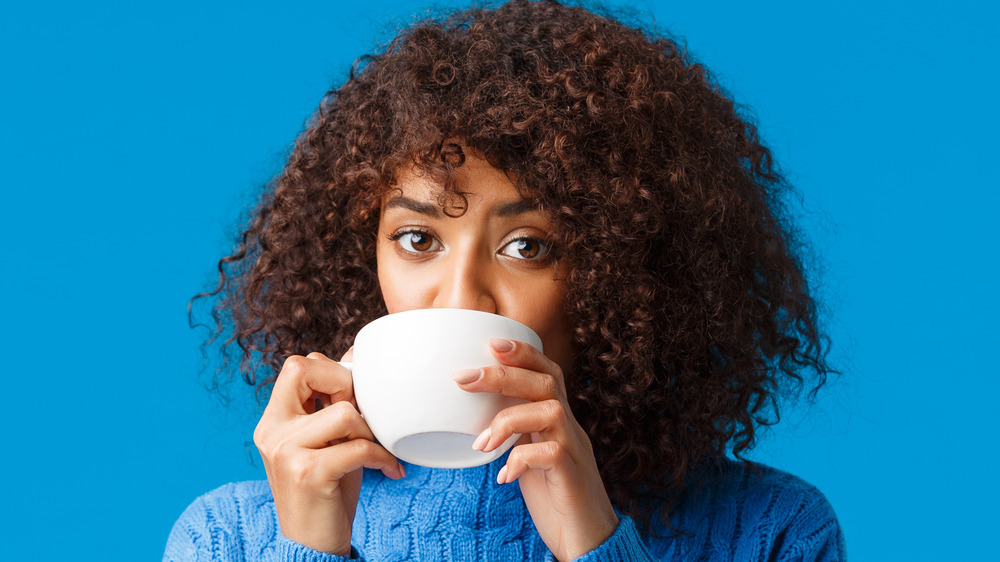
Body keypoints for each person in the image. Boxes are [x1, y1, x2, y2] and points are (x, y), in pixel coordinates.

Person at [164, 0, 846, 560]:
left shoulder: (770, 532)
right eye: (417, 239)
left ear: (628, 274)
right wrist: (310, 547)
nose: (460, 296)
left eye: (528, 246)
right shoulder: (231, 541)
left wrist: (595, 542)